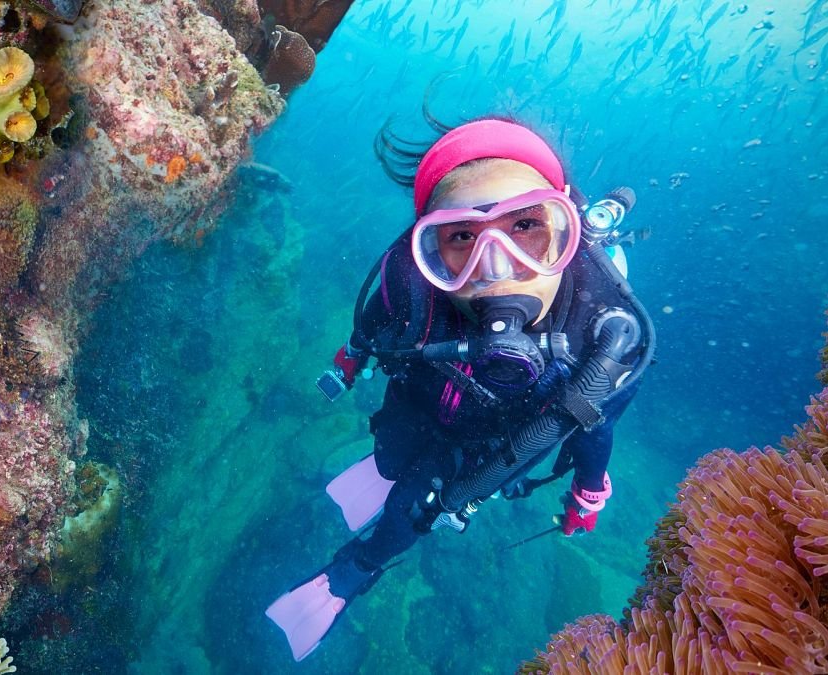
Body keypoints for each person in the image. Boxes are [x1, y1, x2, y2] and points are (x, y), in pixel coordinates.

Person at [265, 118, 655, 661]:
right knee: (390, 454)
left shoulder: (605, 331)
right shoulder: (410, 280)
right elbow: (371, 325)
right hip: (420, 400)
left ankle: (352, 572)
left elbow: (595, 425)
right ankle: (383, 481)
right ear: (430, 245)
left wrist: (588, 492)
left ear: (567, 232)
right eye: (463, 238)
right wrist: (350, 362)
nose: (495, 269)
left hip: (487, 447)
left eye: (526, 228)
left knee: (416, 508)